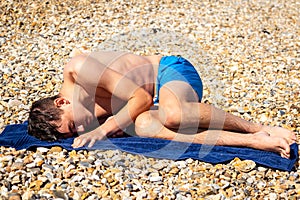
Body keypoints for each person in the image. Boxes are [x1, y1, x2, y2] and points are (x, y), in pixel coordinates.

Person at [28, 50, 296, 158]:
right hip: (151, 103)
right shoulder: (78, 115)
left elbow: (141, 98)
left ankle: (258, 127)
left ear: (62, 101)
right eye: (73, 132)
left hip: (168, 72)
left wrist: (107, 127)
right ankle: (254, 141)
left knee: (174, 115)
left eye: (73, 124)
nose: (80, 130)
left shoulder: (80, 68)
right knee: (145, 126)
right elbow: (136, 112)